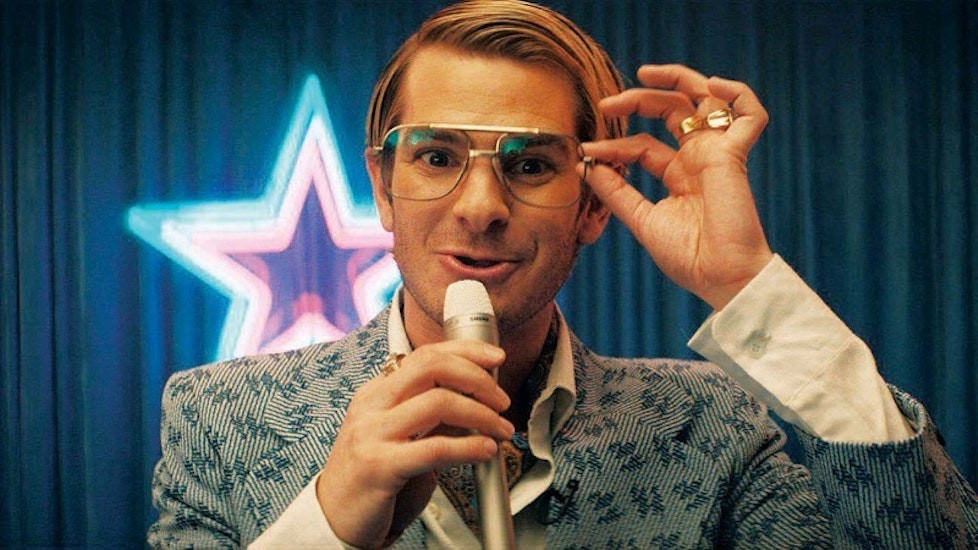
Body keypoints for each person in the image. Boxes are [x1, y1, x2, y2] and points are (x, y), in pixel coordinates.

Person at [148, 1, 978, 548]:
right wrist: (327, 527)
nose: (480, 207)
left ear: (593, 207)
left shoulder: (708, 427)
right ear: (382, 189)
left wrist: (748, 284)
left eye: (532, 164)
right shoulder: (221, 418)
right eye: (436, 157)